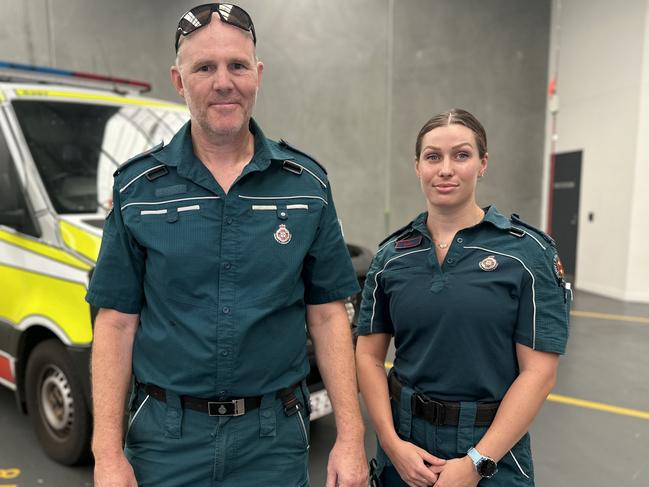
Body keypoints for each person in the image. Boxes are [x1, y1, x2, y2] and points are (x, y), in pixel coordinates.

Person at [86, 4, 368, 486]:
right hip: (164, 441)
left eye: (237, 65)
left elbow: (326, 314)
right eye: (204, 67)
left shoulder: (305, 187)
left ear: (257, 75)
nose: (223, 82)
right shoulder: (138, 190)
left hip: (272, 440)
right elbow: (115, 324)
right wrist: (107, 454)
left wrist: (351, 436)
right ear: (179, 80)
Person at [356, 108, 570, 487]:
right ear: (417, 166)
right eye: (433, 156)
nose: (445, 169)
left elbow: (539, 373)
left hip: (491, 450)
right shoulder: (391, 257)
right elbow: (369, 357)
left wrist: (476, 462)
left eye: (462, 155)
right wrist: (391, 444)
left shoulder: (528, 254)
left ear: (483, 163)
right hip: (406, 451)